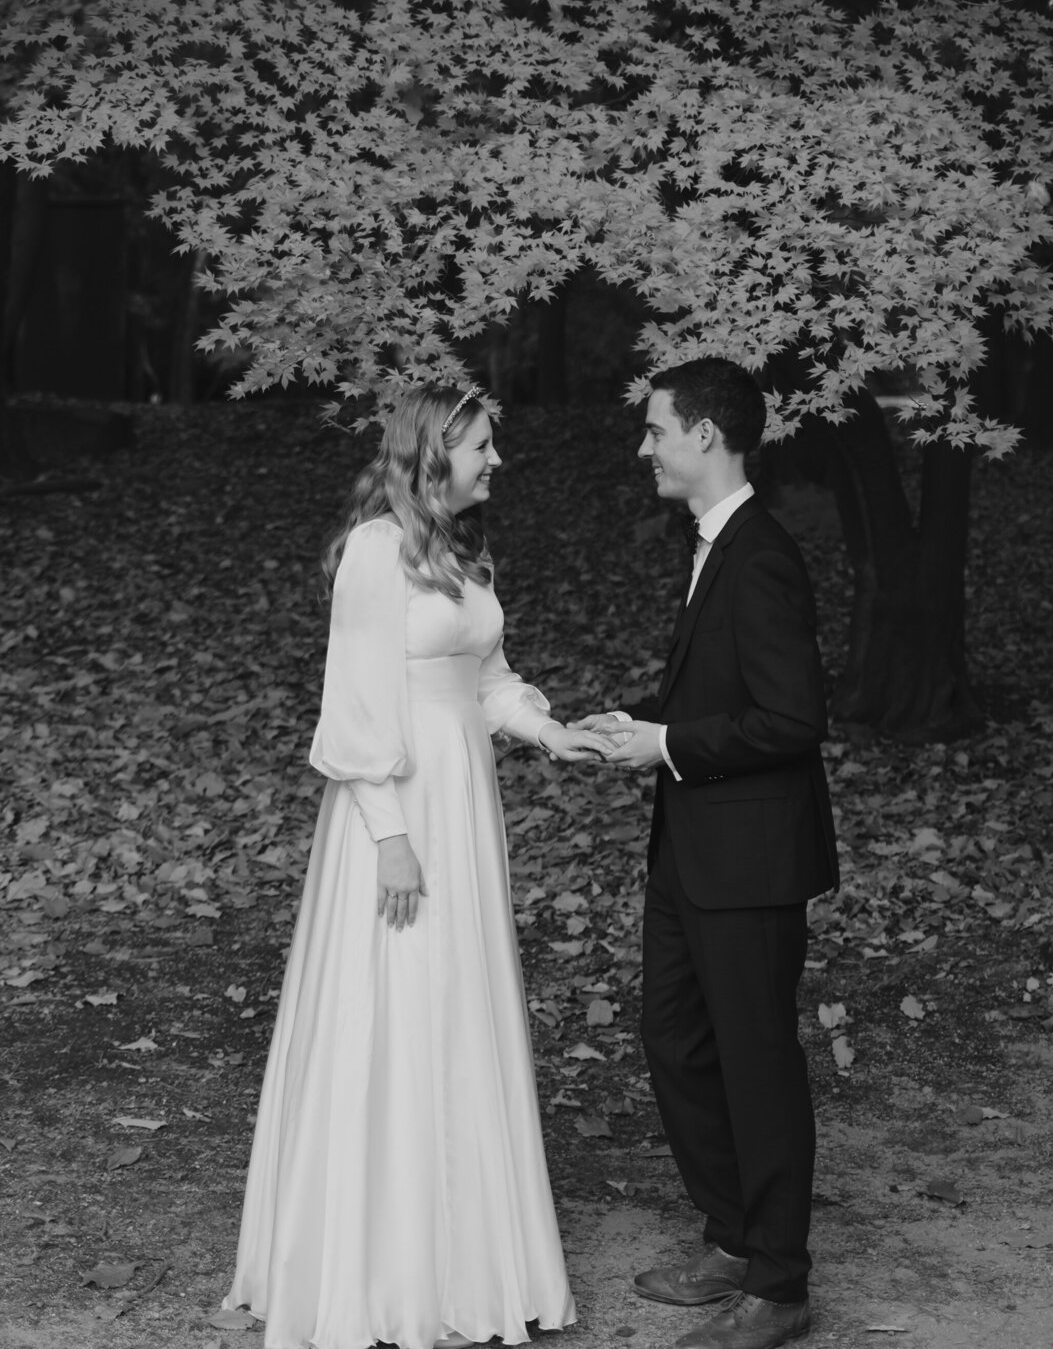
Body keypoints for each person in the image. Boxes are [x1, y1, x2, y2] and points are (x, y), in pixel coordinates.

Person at [224, 382, 606, 1349]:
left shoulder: (465, 551)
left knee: (458, 1011)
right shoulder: (373, 550)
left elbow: (485, 678)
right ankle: (371, 1272)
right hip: (391, 817)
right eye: (483, 444)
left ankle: (469, 1262)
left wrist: (549, 730)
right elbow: (353, 706)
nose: (496, 459)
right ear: (436, 451)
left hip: (464, 804)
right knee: (388, 1013)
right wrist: (390, 837)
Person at [575, 358, 839, 1349]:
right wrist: (636, 719)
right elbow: (718, 689)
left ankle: (779, 1282)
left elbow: (791, 718)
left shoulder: (762, 553)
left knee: (757, 1060)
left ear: (705, 436)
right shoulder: (709, 545)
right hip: (692, 852)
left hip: (752, 858)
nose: (643, 445)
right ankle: (730, 1233)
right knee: (674, 1038)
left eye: (655, 429)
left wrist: (669, 746)